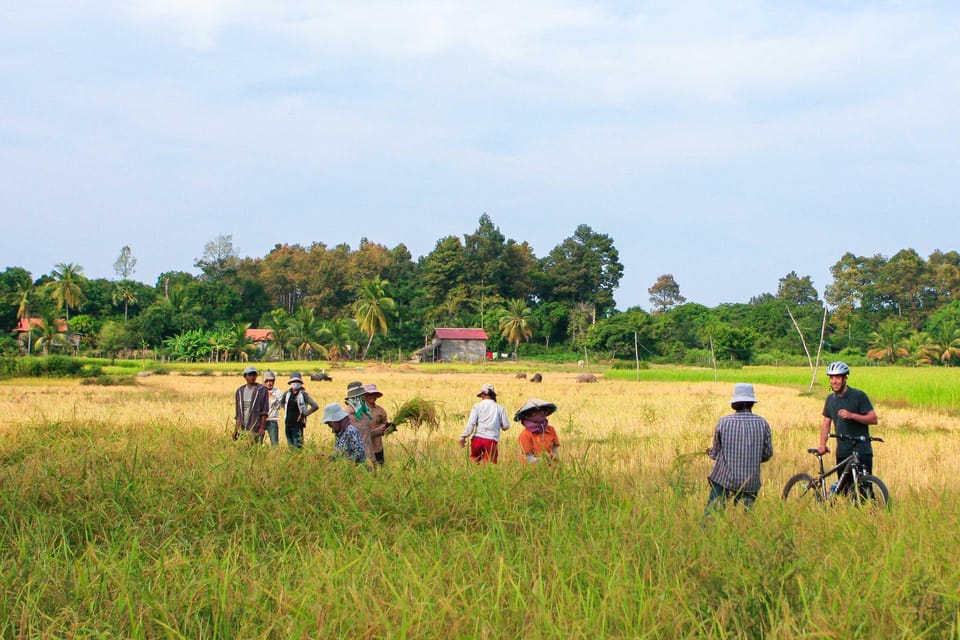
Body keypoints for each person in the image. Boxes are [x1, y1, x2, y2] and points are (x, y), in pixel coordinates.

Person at [705, 383, 774, 512]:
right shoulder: (762, 423)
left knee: (712, 516)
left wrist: (711, 453)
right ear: (751, 403)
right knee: (745, 519)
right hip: (750, 481)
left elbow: (715, 453)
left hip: (724, 479)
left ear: (734, 403)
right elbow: (768, 453)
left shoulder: (723, 422)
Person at [817, 361, 878, 474]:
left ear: (845, 378)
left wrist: (852, 415)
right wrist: (822, 444)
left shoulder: (859, 396)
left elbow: (873, 419)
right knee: (844, 489)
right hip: (843, 451)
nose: (834, 381)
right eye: (831, 378)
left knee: (865, 488)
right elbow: (826, 423)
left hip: (862, 449)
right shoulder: (830, 399)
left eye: (838, 378)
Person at [459, 383, 510, 463]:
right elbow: (506, 426)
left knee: (474, 462)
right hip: (491, 440)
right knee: (489, 465)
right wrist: (499, 425)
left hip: (477, 439)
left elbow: (471, 424)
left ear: (482, 394)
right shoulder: (500, 408)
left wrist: (463, 437)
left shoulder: (477, 406)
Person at [514, 398, 560, 465]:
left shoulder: (551, 430)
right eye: (535, 411)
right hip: (532, 469)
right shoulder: (525, 435)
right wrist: (543, 461)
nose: (541, 413)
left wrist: (554, 456)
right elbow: (528, 457)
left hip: (550, 467)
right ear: (530, 414)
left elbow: (555, 448)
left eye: (542, 410)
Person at [280, 372, 320, 449]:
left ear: (300, 383)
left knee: (298, 445)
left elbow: (315, 406)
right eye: (293, 382)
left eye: (297, 382)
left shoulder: (303, 394)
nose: (295, 384)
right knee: (290, 445)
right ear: (290, 383)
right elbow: (282, 403)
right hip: (288, 423)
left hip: (298, 424)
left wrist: (304, 414)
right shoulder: (287, 393)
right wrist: (285, 410)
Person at [233, 365, 269, 442]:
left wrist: (262, 428)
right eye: (249, 375)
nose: (252, 377)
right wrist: (236, 429)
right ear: (245, 376)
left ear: (256, 376)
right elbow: (238, 413)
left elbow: (264, 411)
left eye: (254, 375)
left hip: (256, 428)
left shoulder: (262, 390)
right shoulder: (240, 391)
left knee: (255, 451)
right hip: (242, 428)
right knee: (243, 451)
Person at [345, 381, 377, 463]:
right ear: (355, 398)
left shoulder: (365, 413)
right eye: (363, 396)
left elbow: (366, 434)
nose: (365, 398)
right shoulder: (346, 416)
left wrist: (381, 430)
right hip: (356, 459)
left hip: (370, 456)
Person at [363, 383, 390, 466]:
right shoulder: (360, 411)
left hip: (377, 446)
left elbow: (385, 426)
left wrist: (387, 427)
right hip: (364, 446)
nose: (373, 396)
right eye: (370, 394)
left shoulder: (380, 411)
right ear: (365, 396)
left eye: (374, 394)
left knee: (379, 468)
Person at [263, 370, 284, 447]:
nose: (269, 383)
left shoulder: (278, 392)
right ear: (264, 381)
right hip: (260, 420)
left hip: (272, 420)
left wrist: (273, 398)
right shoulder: (259, 391)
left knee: (275, 444)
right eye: (267, 381)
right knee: (257, 442)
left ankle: (274, 457)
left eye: (271, 381)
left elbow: (279, 406)